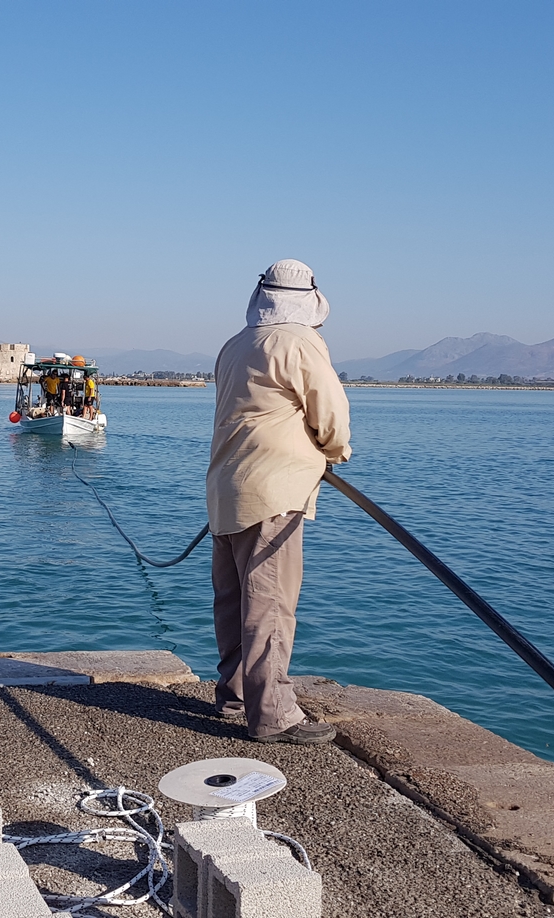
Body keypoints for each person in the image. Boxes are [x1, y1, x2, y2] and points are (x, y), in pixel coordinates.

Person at [207, 258, 351, 744]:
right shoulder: (299, 341)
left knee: (232, 601)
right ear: (309, 300)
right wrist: (334, 452)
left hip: (225, 488)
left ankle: (233, 697)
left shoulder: (234, 345)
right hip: (273, 491)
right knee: (269, 603)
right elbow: (330, 413)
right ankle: (273, 716)